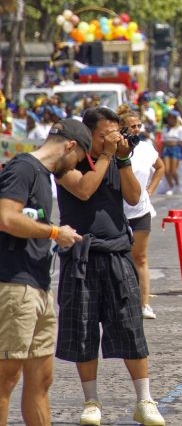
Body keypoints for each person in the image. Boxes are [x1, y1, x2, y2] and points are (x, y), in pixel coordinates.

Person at [55, 108, 165, 426]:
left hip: (117, 253)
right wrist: (105, 156)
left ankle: (144, 399)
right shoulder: (68, 161)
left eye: (115, 134)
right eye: (104, 135)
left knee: (130, 327)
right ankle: (92, 401)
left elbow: (134, 198)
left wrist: (123, 160)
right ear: (88, 134)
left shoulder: (117, 160)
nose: (111, 140)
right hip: (82, 256)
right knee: (83, 330)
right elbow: (85, 188)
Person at [0, 120, 86, 426]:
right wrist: (53, 232)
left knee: (42, 379)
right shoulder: (23, 169)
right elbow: (6, 218)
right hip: (13, 283)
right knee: (5, 379)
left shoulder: (42, 175)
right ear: (70, 146)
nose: (74, 168)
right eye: (78, 159)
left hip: (38, 284)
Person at [119, 107, 164, 321]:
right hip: (118, 211)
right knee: (120, 258)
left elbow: (160, 167)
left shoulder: (146, 148)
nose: (137, 130)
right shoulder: (114, 148)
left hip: (140, 210)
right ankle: (122, 302)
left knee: (140, 257)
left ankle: (144, 303)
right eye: (132, 127)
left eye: (139, 126)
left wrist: (151, 189)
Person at [159, 111, 182, 194]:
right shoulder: (165, 129)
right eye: (169, 117)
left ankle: (177, 184)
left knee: (173, 170)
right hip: (167, 149)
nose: (170, 120)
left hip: (176, 149)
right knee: (166, 170)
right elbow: (163, 142)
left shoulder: (180, 129)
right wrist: (160, 153)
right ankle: (171, 186)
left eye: (172, 118)